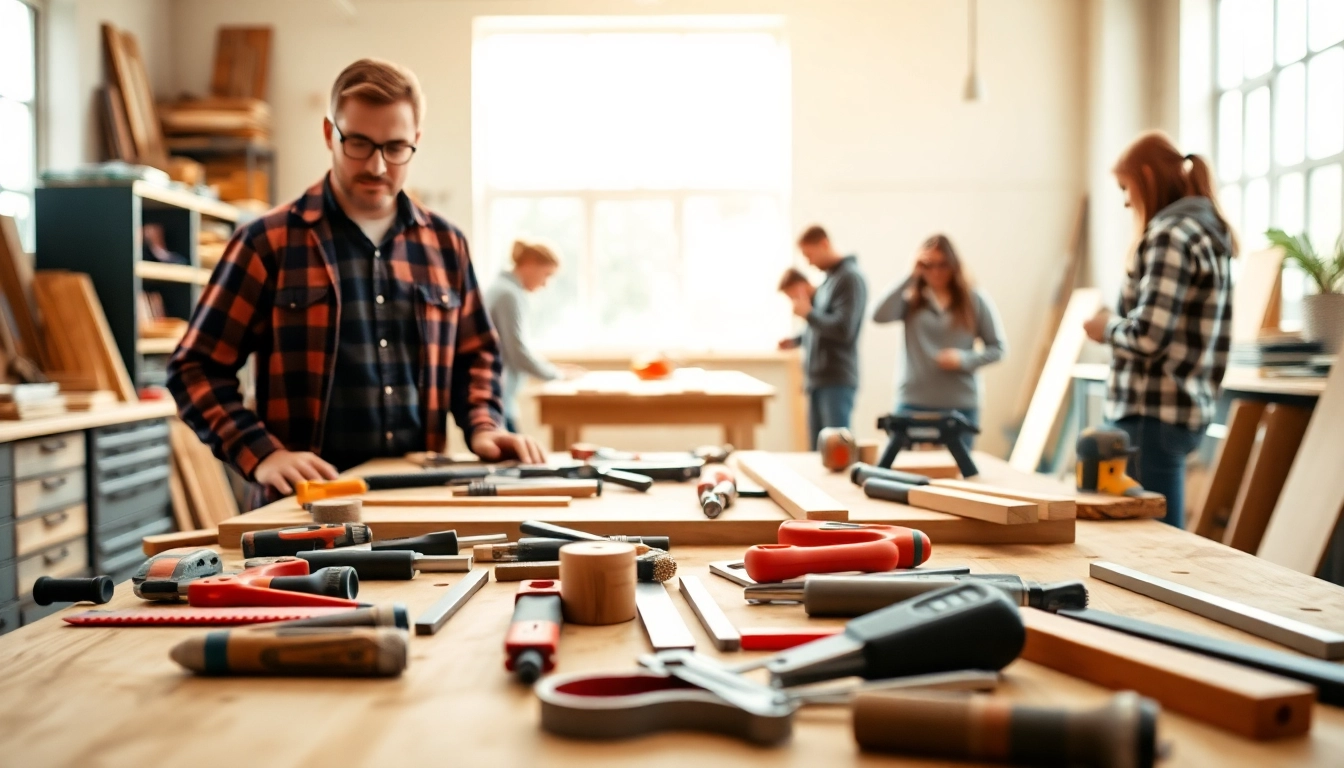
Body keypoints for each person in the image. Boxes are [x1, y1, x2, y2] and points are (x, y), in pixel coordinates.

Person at [168, 58, 544, 508]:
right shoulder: (267, 242)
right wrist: (262, 454)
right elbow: (195, 368)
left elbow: (476, 354)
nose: (378, 166)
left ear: (416, 140)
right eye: (360, 144)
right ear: (330, 134)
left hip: (417, 503)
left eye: (396, 147)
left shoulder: (447, 246)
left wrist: (484, 425)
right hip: (301, 510)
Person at [1083, 130, 1237, 528]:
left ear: (1147, 176)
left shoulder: (1169, 235)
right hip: (1178, 410)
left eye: (1125, 187)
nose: (1126, 201)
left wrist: (1105, 328)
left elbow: (1149, 337)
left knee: (1154, 541)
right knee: (1159, 537)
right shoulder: (1206, 233)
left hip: (1150, 414)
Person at [871, 234, 1006, 450]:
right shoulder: (911, 299)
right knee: (902, 466)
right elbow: (878, 315)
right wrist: (910, 276)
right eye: (928, 265)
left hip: (960, 405)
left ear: (954, 265)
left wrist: (963, 359)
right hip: (913, 402)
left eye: (943, 265)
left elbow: (998, 349)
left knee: (958, 467)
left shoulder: (973, 300)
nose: (936, 272)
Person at [777, 226, 867, 448]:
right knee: (818, 452)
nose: (809, 263)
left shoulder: (849, 278)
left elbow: (843, 329)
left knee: (837, 450)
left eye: (809, 255)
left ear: (824, 244)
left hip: (836, 379)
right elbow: (820, 326)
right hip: (818, 380)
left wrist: (808, 314)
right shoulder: (828, 282)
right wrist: (796, 340)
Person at [484, 239, 584, 432]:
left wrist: (554, 369)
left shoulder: (502, 289)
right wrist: (556, 375)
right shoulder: (508, 295)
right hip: (498, 395)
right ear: (530, 264)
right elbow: (518, 353)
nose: (545, 284)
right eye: (546, 275)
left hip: (500, 395)